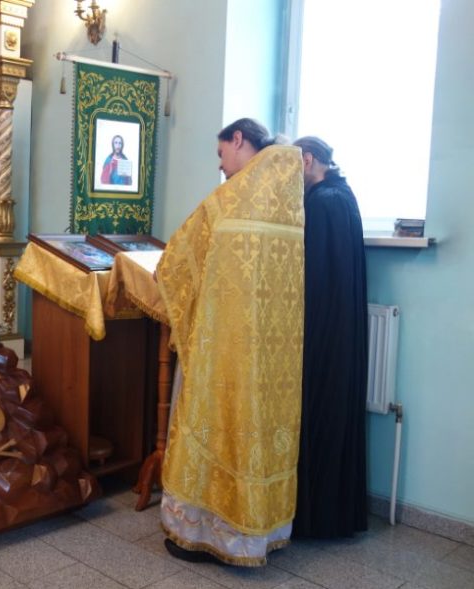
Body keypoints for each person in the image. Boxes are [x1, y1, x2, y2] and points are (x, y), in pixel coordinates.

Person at [156, 118, 305, 566]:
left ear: (239, 140)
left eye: (221, 154)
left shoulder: (233, 196)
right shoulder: (290, 195)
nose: (221, 167)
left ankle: (204, 533)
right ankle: (256, 534)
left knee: (214, 422)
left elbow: (177, 260)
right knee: (260, 427)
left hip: (225, 343)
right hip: (276, 353)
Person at [292, 136, 368, 538]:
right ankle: (334, 513)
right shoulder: (344, 195)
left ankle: (315, 515)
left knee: (317, 404)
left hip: (321, 325)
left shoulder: (321, 202)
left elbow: (310, 273)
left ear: (307, 160)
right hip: (342, 325)